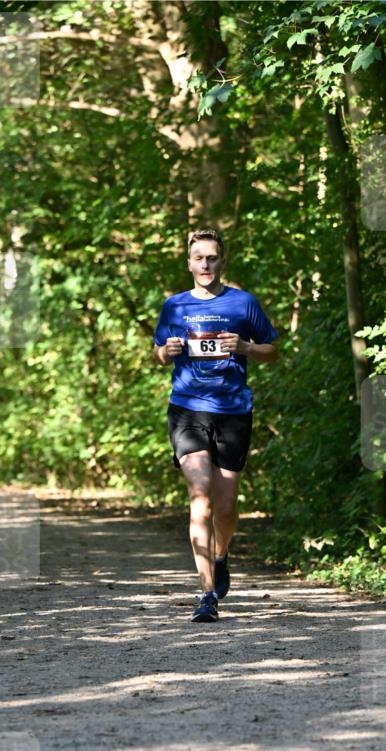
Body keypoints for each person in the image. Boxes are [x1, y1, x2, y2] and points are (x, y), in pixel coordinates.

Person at [153, 228, 278, 622]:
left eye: (212, 258)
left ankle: (221, 556)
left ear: (222, 262)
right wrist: (166, 351)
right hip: (188, 409)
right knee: (201, 497)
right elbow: (159, 352)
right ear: (188, 263)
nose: (205, 265)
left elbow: (272, 350)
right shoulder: (174, 307)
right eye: (198, 258)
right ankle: (206, 593)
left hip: (233, 410)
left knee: (225, 505)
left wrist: (245, 348)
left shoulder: (243, 304)